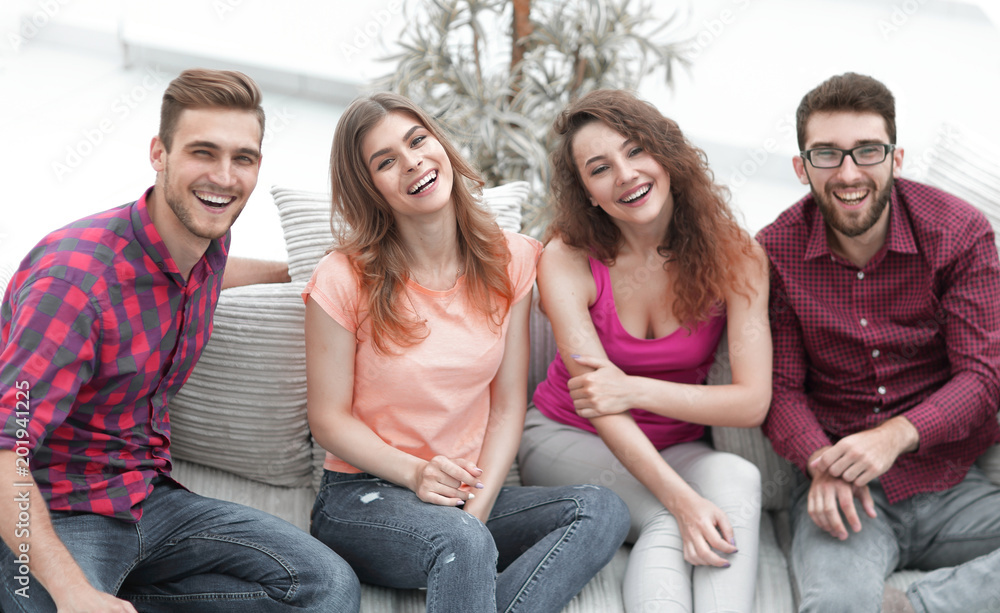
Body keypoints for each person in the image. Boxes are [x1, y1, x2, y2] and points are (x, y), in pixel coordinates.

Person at [0, 68, 360, 613]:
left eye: (243, 158)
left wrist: (299, 273)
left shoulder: (203, 242)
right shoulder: (72, 286)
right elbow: (6, 450)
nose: (224, 176)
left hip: (149, 499)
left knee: (327, 585)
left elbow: (211, 273)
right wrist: (72, 590)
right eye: (203, 152)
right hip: (61, 511)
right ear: (159, 153)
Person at [304, 92, 629, 613]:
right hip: (363, 495)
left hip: (461, 494)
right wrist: (415, 474)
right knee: (462, 539)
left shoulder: (511, 258)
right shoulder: (343, 277)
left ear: (441, 145)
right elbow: (328, 420)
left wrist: (475, 510)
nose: (412, 162)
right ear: (369, 188)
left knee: (601, 509)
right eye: (386, 162)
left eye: (417, 141)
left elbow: (507, 405)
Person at [517, 89, 772, 613]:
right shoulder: (565, 260)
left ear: (666, 154)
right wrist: (683, 500)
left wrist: (631, 388)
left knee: (739, 478)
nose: (626, 174)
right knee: (667, 515)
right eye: (600, 168)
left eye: (636, 150)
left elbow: (751, 402)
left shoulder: (738, 256)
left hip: (677, 444)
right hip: (570, 436)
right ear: (588, 193)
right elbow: (598, 401)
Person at [758, 72, 1000, 613]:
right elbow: (780, 389)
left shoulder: (959, 232)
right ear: (801, 167)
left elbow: (984, 377)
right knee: (836, 605)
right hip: (842, 492)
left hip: (952, 483)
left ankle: (917, 607)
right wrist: (821, 462)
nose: (849, 173)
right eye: (827, 154)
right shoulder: (775, 251)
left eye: (868, 151)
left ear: (896, 158)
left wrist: (893, 437)